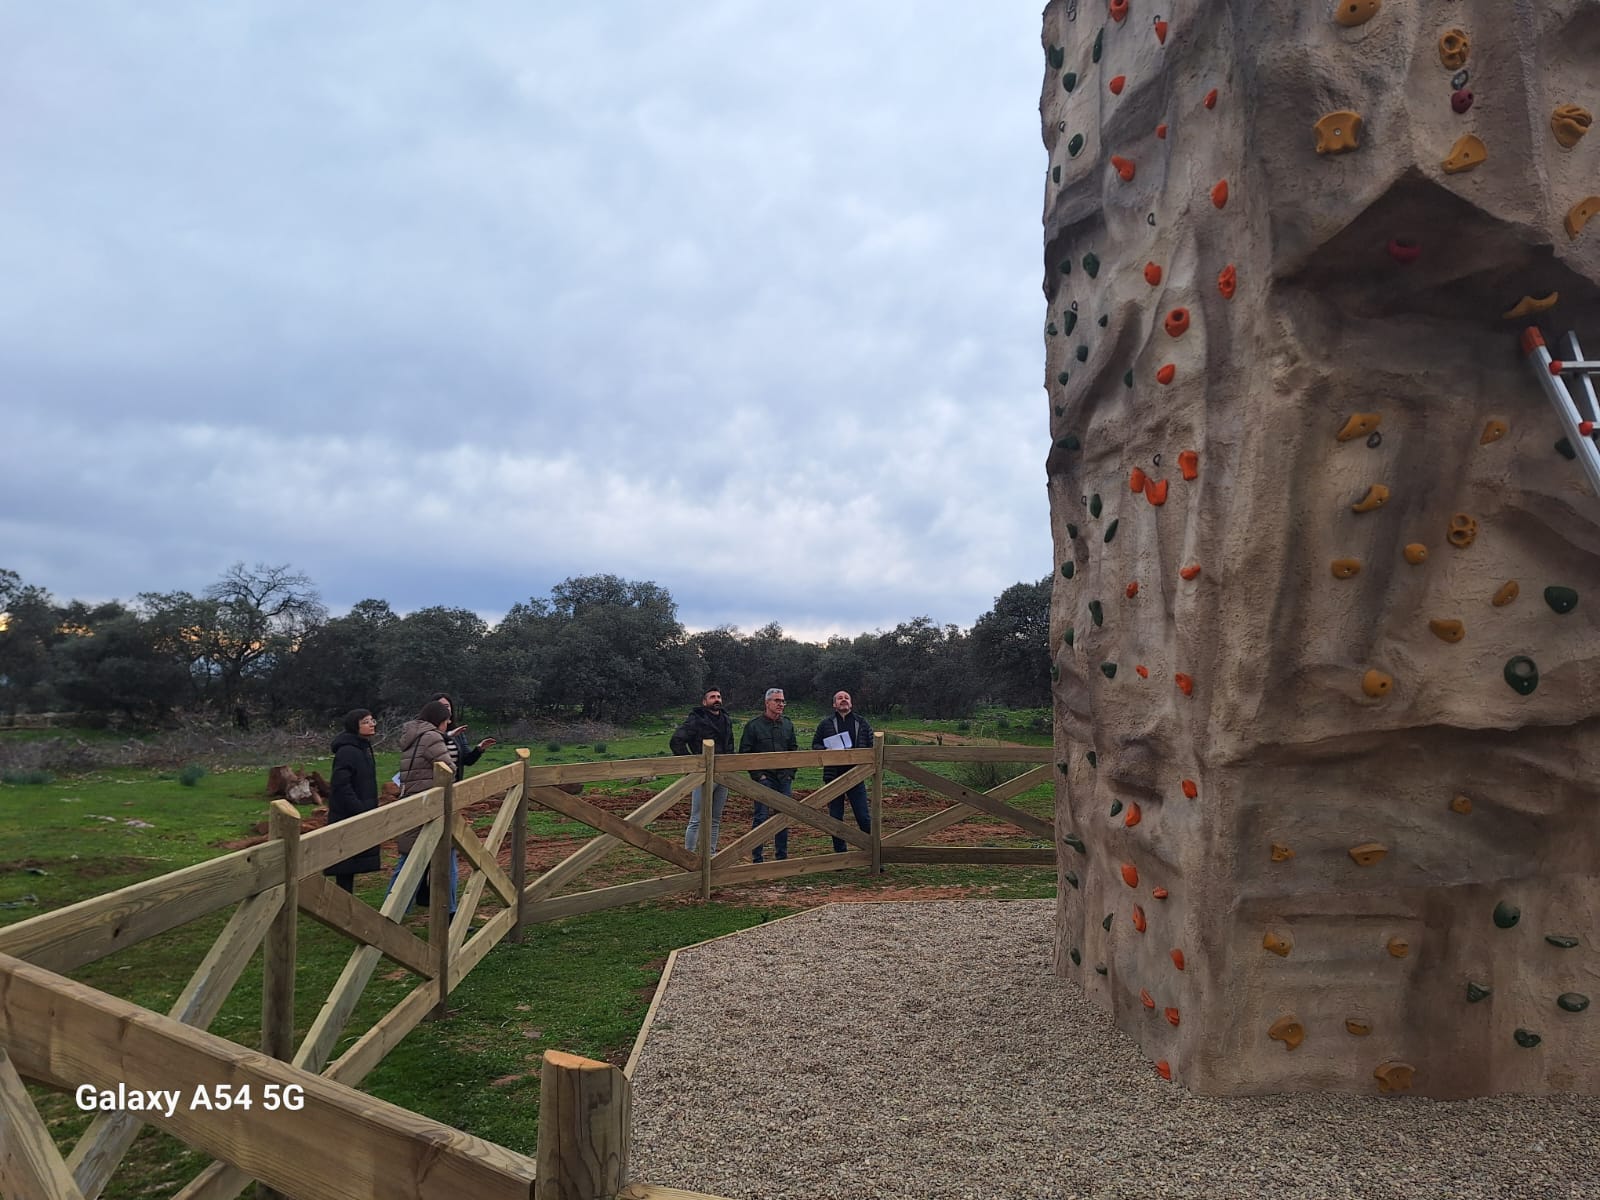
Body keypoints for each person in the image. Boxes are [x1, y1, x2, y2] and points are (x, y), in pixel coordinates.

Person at [389, 699, 458, 915]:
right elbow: (449, 768)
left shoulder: (414, 736)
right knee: (445, 857)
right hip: (430, 805)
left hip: (413, 801)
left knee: (409, 858)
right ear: (439, 720)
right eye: (446, 721)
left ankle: (393, 910)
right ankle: (450, 913)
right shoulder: (431, 737)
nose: (447, 725)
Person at [670, 686, 735, 853]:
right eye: (712, 697)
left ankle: (711, 854)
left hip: (723, 775)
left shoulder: (726, 719)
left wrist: (730, 765)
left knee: (715, 818)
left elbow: (730, 744)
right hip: (702, 775)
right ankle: (689, 855)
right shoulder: (696, 719)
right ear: (704, 701)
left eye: (719, 696)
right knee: (697, 818)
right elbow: (676, 740)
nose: (717, 699)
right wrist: (692, 767)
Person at [738, 687, 797, 863]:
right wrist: (759, 776)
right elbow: (745, 753)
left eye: (782, 701)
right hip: (763, 780)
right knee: (761, 817)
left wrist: (790, 774)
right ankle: (757, 858)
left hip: (783, 779)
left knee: (783, 817)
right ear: (767, 703)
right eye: (777, 701)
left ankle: (782, 857)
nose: (781, 704)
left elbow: (793, 750)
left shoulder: (787, 724)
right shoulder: (753, 726)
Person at [325, 709, 380, 893]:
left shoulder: (364, 748)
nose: (372, 724)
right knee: (345, 865)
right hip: (347, 815)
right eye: (366, 721)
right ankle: (341, 909)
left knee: (350, 864)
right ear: (354, 726)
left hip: (361, 811)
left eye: (372, 720)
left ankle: (345, 907)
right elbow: (341, 785)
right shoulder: (347, 751)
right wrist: (359, 809)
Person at [812, 690, 874, 853]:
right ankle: (840, 855)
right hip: (833, 776)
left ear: (851, 703)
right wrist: (827, 748)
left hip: (856, 775)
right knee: (835, 818)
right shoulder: (826, 724)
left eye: (847, 698)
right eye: (840, 698)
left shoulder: (862, 722)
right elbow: (815, 745)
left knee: (863, 817)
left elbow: (872, 746)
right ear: (834, 704)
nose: (843, 700)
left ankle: (873, 852)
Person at [430, 692, 496, 779]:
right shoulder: (426, 732)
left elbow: (467, 761)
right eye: (440, 706)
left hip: (455, 786)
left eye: (447, 706)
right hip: (431, 787)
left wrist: (479, 749)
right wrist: (449, 735)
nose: (444, 709)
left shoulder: (458, 733)